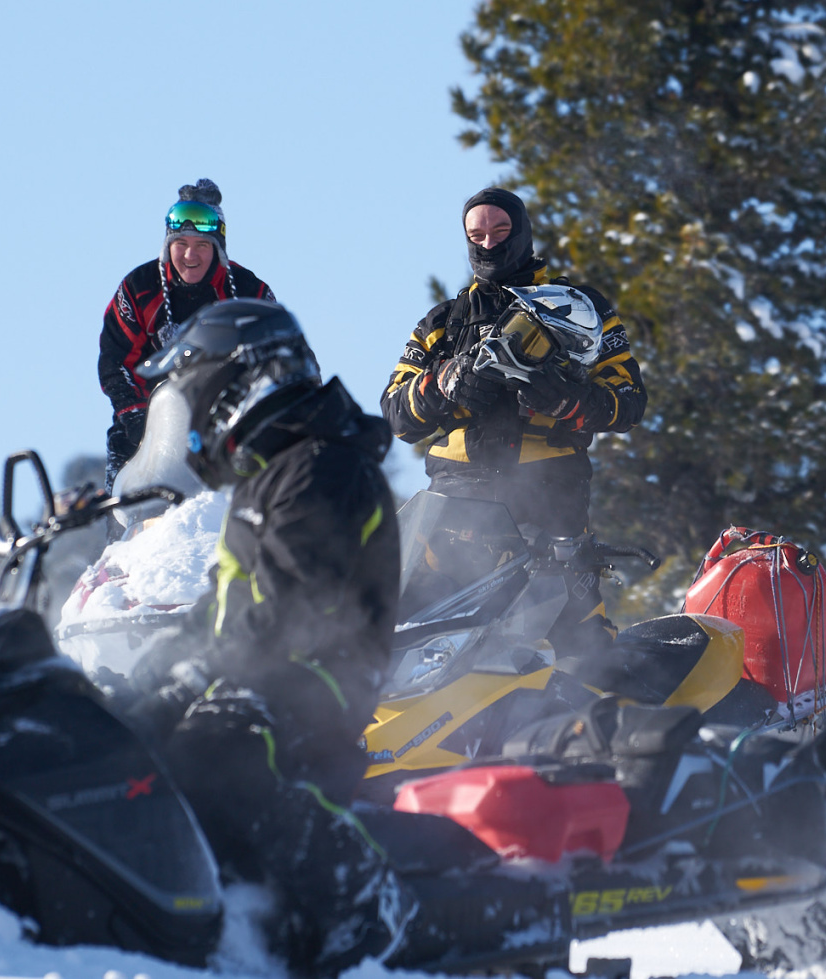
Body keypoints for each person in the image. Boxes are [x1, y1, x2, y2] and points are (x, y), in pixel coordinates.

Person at [126, 299, 406, 971]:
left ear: (243, 384)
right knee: (130, 738)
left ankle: (359, 895)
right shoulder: (270, 477)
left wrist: (195, 678)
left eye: (197, 399)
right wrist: (146, 676)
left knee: (213, 750)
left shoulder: (323, 467)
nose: (193, 426)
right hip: (257, 674)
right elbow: (220, 609)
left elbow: (294, 607)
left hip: (318, 678)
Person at [382, 186, 646, 536]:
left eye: (501, 231)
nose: (488, 244)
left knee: (561, 574)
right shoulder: (443, 322)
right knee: (411, 572)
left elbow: (629, 400)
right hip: (454, 504)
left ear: (522, 232)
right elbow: (396, 416)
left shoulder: (579, 308)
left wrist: (569, 401)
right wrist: (444, 380)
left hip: (549, 497)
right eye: (477, 235)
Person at [97, 179, 274, 484]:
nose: (190, 256)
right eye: (181, 244)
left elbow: (283, 357)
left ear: (218, 248)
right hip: (143, 435)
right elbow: (116, 361)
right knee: (126, 492)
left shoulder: (249, 293)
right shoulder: (139, 289)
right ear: (168, 246)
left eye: (202, 245)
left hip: (229, 432)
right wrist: (137, 419)